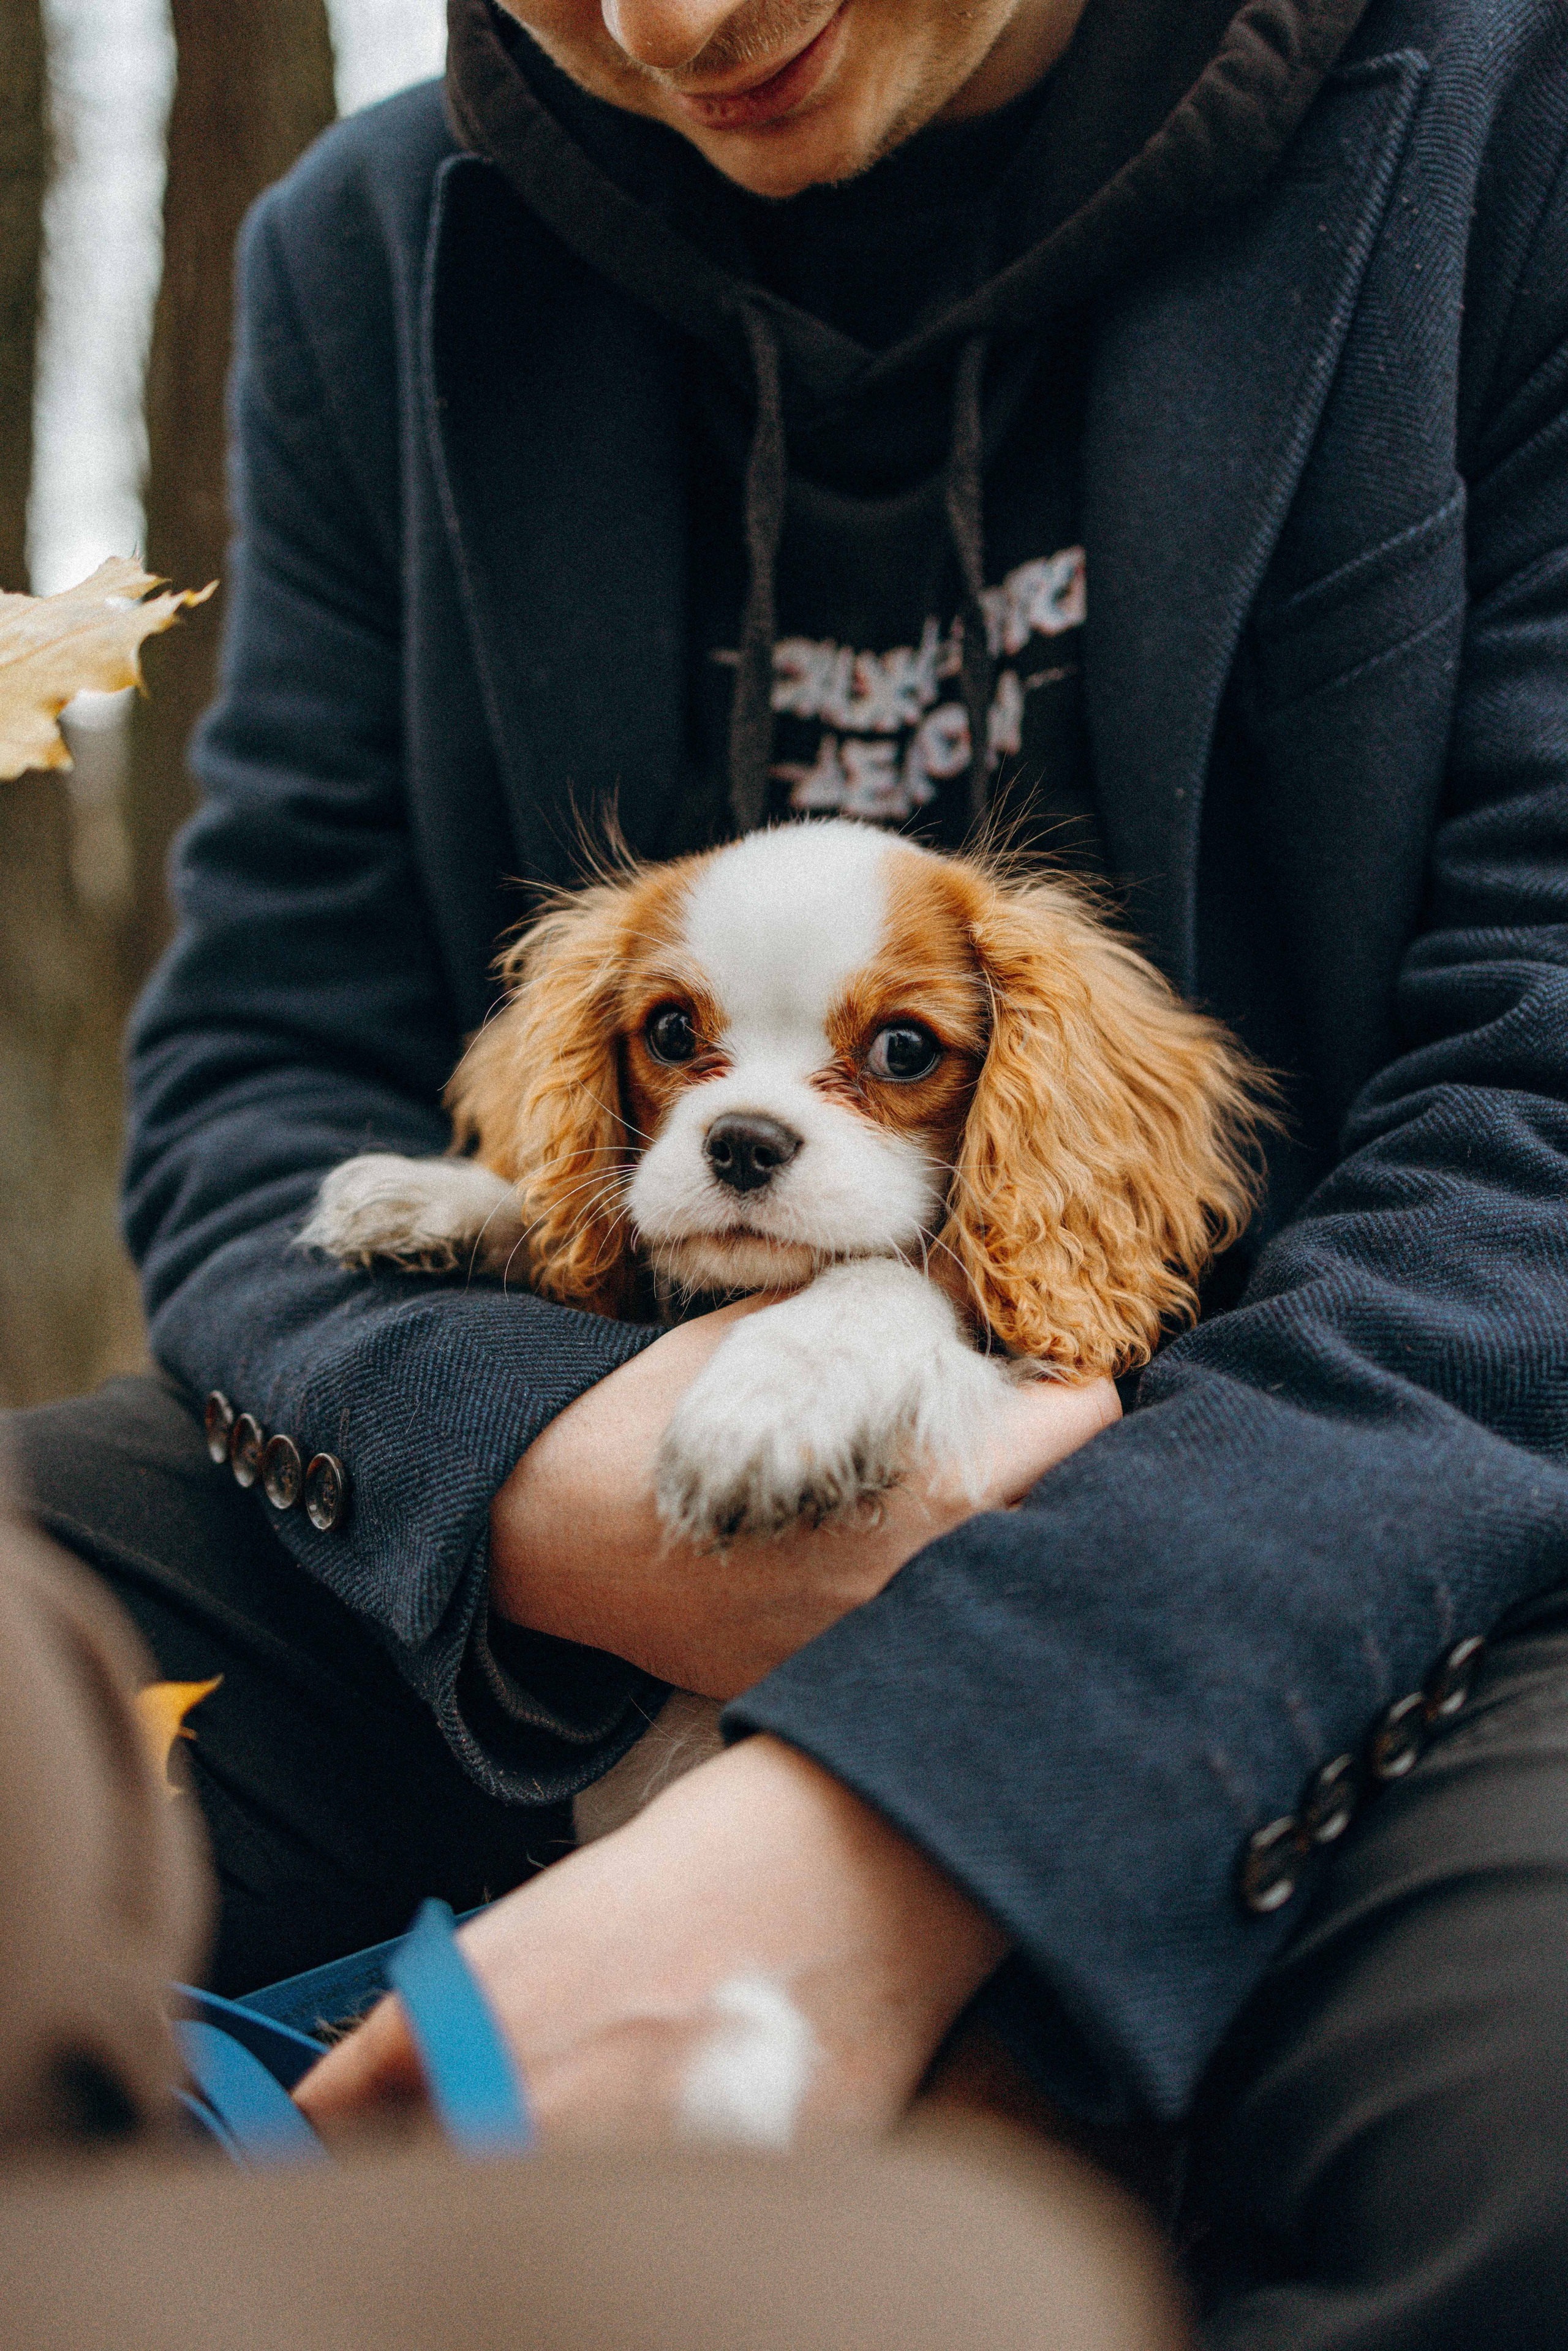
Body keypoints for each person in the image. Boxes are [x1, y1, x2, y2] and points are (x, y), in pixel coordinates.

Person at [10, 0, 1568, 2336]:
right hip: (563, 1502)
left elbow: (1537, 1135)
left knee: (1523, 2154)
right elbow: (269, 1079)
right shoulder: (375, 251)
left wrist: (920, 1799)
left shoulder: (1512, 122)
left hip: (1400, 1541)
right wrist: (539, 1477)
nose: (677, 24)